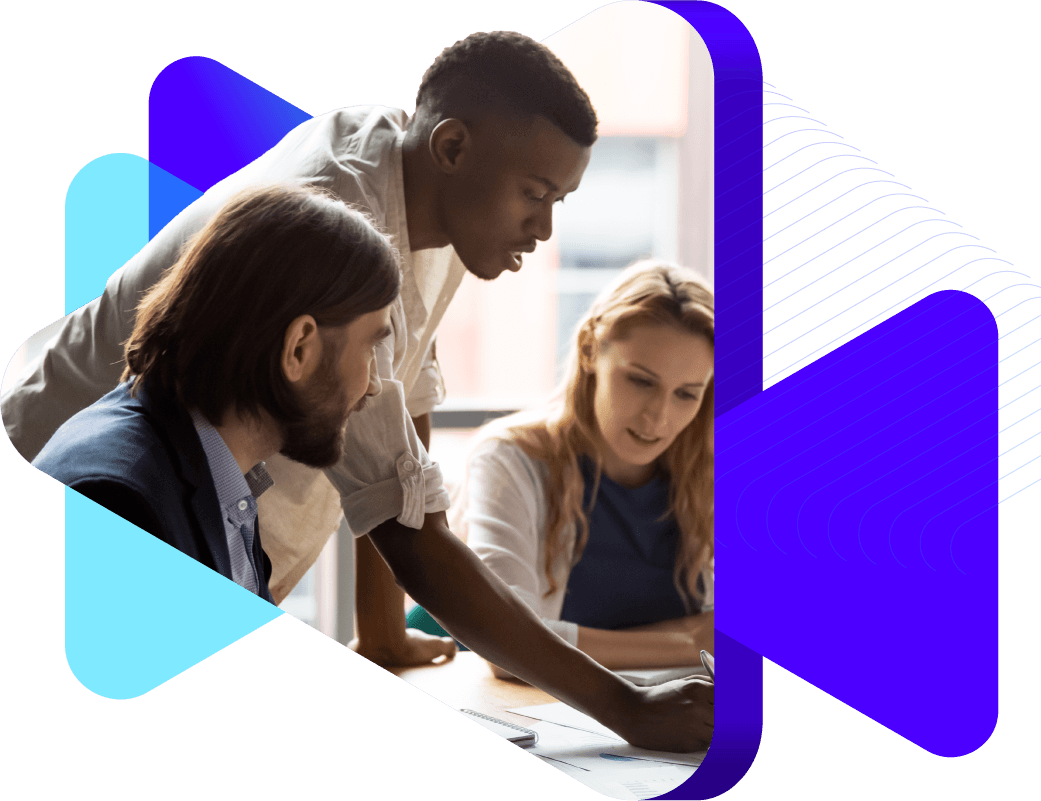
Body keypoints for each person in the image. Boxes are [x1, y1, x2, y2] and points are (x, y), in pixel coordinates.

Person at [4, 34, 713, 752]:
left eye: (559, 199)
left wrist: (383, 630)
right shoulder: (342, 221)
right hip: (107, 508)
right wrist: (631, 710)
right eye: (535, 194)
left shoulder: (434, 184)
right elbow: (411, 528)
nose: (545, 227)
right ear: (454, 146)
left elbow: (402, 414)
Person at [32, 185, 401, 602]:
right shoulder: (120, 504)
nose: (372, 385)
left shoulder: (218, 474)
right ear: (298, 348)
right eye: (370, 347)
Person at [409, 261, 715, 672]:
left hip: (638, 714)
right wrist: (692, 640)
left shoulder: (710, 473)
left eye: (686, 394)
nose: (659, 419)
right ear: (590, 350)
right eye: (641, 382)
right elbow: (506, 645)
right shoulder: (509, 460)